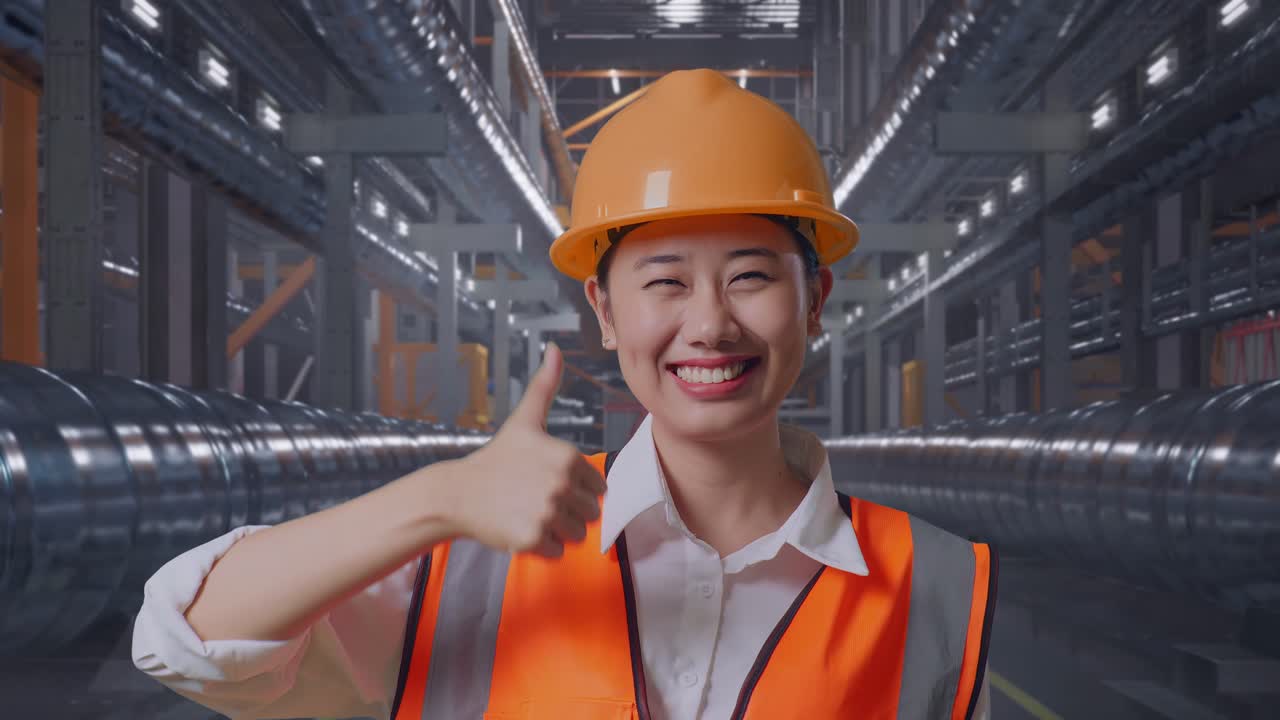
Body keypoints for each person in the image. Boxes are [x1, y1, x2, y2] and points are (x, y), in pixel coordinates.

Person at [133, 68, 995, 719]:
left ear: (813, 302)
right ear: (604, 311)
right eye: (664, 282)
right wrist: (437, 497)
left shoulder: (939, 586)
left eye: (749, 277)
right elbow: (185, 638)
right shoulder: (475, 559)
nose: (710, 325)